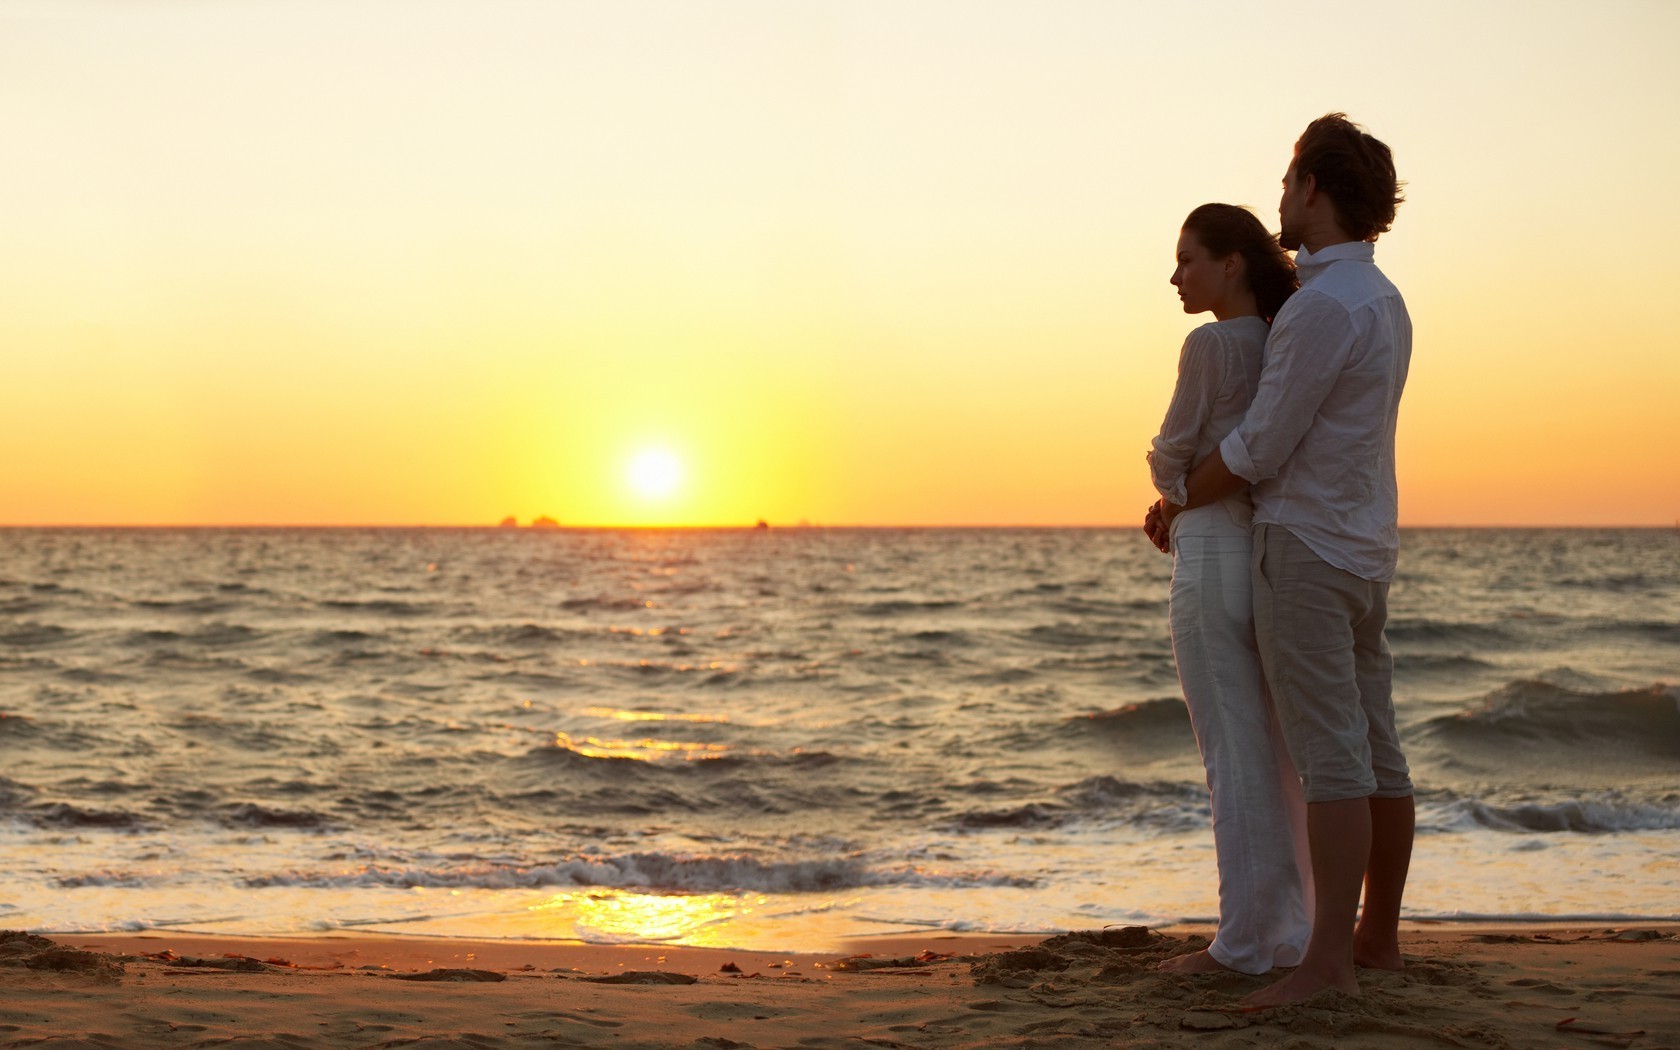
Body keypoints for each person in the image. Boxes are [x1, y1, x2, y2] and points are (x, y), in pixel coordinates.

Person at [1145, 113, 1414, 1006]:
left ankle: (1327, 963)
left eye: (1292, 181)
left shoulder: (1323, 309)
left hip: (1305, 545)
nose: (1281, 199)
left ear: (1318, 190)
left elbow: (1260, 445)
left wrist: (1176, 498)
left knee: (1331, 760)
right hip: (1367, 544)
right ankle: (1375, 942)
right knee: (1375, 754)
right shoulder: (1380, 298)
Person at [1146, 204, 1311, 976]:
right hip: (1256, 552)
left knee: (1232, 756)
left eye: (1187, 259)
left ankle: (1244, 941)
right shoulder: (1281, 340)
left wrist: (1168, 495)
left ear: (1232, 263)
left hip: (1209, 557)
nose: (1176, 275)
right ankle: (1288, 930)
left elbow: (1172, 455)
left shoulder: (1209, 343)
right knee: (1271, 751)